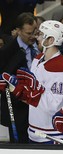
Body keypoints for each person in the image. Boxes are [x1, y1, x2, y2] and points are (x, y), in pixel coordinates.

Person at [2, 20, 63, 144]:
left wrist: (33, 91)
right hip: (35, 130)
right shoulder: (38, 59)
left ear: (51, 40)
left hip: (54, 135)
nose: (37, 37)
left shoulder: (60, 67)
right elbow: (31, 96)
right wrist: (14, 86)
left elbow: (54, 105)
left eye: (41, 34)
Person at [0, 12, 39, 143]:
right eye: (29, 33)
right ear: (18, 31)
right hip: (16, 109)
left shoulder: (40, 48)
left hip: (38, 105)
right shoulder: (7, 51)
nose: (33, 36)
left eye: (35, 32)